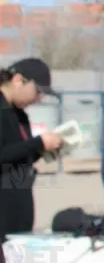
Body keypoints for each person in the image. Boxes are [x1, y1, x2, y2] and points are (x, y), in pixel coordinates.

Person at [1, 58, 63, 243]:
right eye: (37, 92)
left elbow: (16, 156)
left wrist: (42, 151)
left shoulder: (19, 114)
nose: (39, 99)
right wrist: (37, 144)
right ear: (19, 80)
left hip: (17, 210)